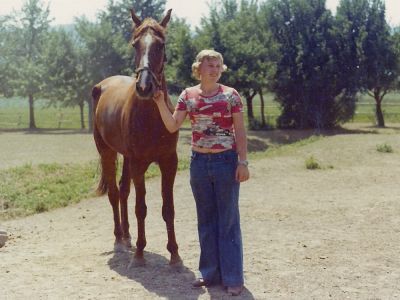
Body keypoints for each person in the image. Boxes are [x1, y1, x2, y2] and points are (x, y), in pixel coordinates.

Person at [153, 49, 250, 296]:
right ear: (199, 68)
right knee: (205, 220)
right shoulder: (188, 95)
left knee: (228, 222)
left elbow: (240, 131)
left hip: (226, 162)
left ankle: (232, 278)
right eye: (210, 65)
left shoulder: (231, 96)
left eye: (218, 66)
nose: (215, 69)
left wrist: (243, 162)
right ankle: (209, 273)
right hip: (199, 164)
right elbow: (173, 124)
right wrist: (159, 102)